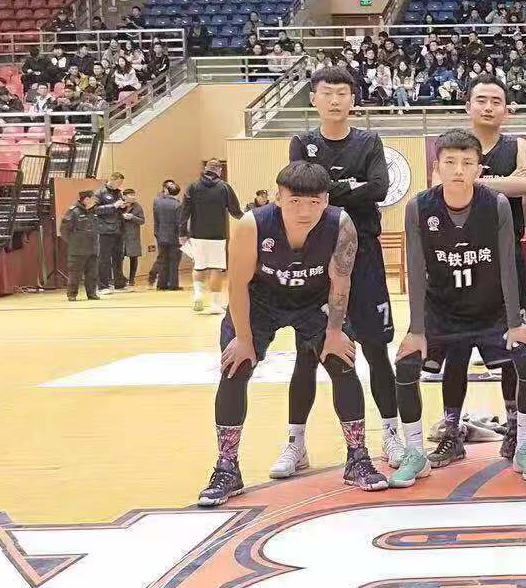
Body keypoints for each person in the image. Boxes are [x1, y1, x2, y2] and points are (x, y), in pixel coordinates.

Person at [197, 161, 388, 506]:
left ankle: (357, 458)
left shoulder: (340, 224)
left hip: (314, 302)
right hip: (260, 302)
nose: (304, 211)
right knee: (235, 367)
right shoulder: (252, 224)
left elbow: (341, 281)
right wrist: (243, 339)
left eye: (314, 202)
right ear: (278, 197)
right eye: (295, 201)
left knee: (342, 361)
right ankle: (227, 468)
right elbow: (237, 285)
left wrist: (334, 330)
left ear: (326, 201)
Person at [279, 66, 409, 484]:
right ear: (313, 98)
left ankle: (391, 435)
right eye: (327, 92)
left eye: (342, 93)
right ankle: (296, 443)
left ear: (353, 99)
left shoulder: (369, 141)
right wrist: (351, 186)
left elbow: (379, 188)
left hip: (365, 254)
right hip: (317, 256)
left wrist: (331, 190)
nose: (335, 100)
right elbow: (303, 193)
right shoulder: (302, 142)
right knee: (307, 352)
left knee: (376, 348)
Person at [395, 129, 526, 471]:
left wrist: (515, 323)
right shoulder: (419, 207)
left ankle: (521, 439)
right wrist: (416, 329)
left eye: (467, 162)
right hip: (443, 309)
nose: (458, 170)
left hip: (490, 308)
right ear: (437, 167)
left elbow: (507, 266)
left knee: (524, 356)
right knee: (407, 363)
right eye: (450, 162)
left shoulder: (496, 204)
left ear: (479, 168)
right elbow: (416, 271)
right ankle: (427, 446)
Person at [428, 75, 526, 461]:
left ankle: (515, 427)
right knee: (456, 347)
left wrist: (474, 182)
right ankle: (451, 430)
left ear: (507, 109)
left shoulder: (516, 145)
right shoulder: (453, 144)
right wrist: (504, 182)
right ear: (468, 106)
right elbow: (439, 187)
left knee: (513, 344)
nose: (488, 106)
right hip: (459, 259)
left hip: (504, 258)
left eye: (496, 100)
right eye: (481, 100)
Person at [181, 158, 243, 315]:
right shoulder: (224, 187)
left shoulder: (193, 187)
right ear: (219, 171)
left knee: (199, 265)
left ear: (206, 169)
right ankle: (215, 303)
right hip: (217, 235)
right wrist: (249, 219)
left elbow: (184, 211)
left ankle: (198, 294)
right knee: (216, 268)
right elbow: (235, 211)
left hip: (197, 234)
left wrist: (182, 233)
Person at [60, 190, 102, 301]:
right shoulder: (74, 212)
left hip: (93, 248)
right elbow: (64, 230)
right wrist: (74, 242)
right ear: (87, 200)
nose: (96, 201)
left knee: (92, 273)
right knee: (75, 274)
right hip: (78, 250)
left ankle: (92, 293)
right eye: (93, 198)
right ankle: (72, 294)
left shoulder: (94, 211)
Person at [94, 173, 126, 295]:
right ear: (112, 180)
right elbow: (95, 209)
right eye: (119, 182)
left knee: (118, 257)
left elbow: (119, 209)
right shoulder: (100, 192)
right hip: (105, 230)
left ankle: (119, 284)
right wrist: (113, 205)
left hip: (118, 229)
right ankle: (102, 286)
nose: (120, 185)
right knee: (104, 258)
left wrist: (123, 206)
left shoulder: (118, 193)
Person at [149, 180, 183, 290]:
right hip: (174, 237)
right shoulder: (178, 205)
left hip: (161, 235)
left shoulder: (158, 202)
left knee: (163, 260)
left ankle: (161, 284)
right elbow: (179, 223)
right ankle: (173, 285)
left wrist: (157, 233)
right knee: (174, 261)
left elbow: (156, 219)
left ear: (167, 191)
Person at [118, 188, 146, 290]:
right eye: (131, 195)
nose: (133, 197)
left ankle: (131, 279)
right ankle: (120, 278)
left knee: (134, 258)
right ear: (124, 196)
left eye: (134, 195)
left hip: (133, 236)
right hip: (120, 235)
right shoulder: (120, 205)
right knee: (118, 258)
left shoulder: (138, 206)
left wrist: (132, 217)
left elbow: (142, 221)